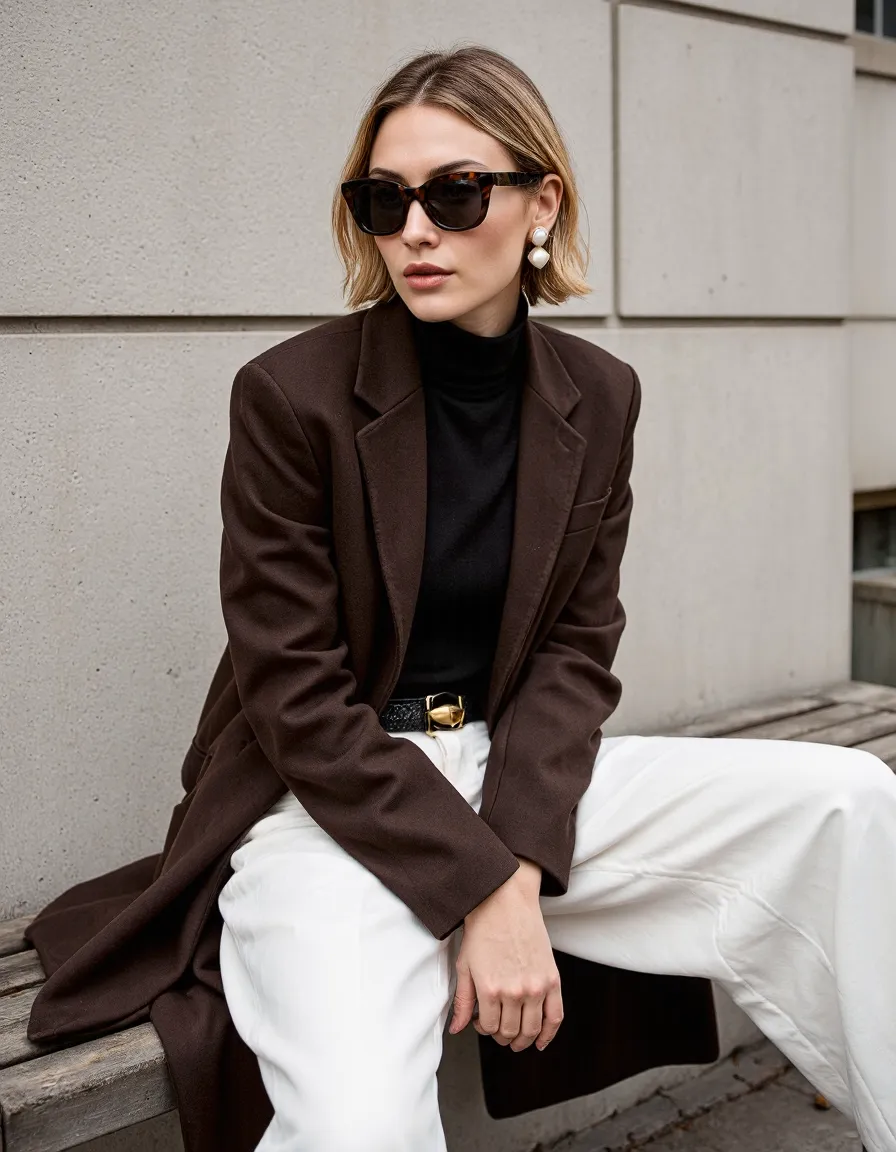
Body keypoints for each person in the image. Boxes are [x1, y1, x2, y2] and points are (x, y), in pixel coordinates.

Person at [23, 43, 894, 1152]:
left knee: (845, 803)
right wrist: (485, 891)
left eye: (453, 192)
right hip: (324, 803)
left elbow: (573, 658)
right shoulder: (291, 399)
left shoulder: (599, 397)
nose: (415, 231)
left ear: (541, 202)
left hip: (509, 771)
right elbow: (294, 698)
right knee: (355, 1126)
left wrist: (515, 871)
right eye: (384, 201)